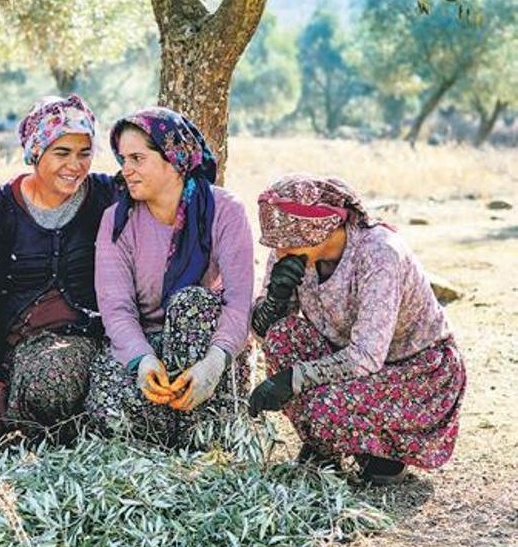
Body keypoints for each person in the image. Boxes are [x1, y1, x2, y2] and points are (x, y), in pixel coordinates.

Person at [248, 173, 467, 484]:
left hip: (415, 373)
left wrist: (293, 379)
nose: (279, 251)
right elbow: (267, 334)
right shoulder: (290, 252)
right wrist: (274, 301)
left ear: (316, 229)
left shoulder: (379, 253)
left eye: (286, 241)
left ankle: (384, 452)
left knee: (324, 409)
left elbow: (365, 356)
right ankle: (326, 445)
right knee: (283, 335)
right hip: (347, 364)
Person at [87, 107, 254, 447]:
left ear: (174, 159)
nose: (126, 170)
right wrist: (143, 359)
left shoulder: (225, 211)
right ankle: (167, 433)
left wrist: (214, 363)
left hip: (208, 347)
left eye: (137, 158)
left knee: (192, 302)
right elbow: (116, 308)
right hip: (145, 345)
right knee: (109, 413)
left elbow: (239, 303)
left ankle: (204, 431)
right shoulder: (116, 220)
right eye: (123, 159)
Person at [0, 94, 117, 443]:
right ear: (35, 152)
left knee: (49, 384)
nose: (74, 165)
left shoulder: (107, 195)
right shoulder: (0, 208)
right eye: (62, 153)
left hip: (75, 340)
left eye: (84, 153)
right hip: (11, 344)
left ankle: (61, 439)